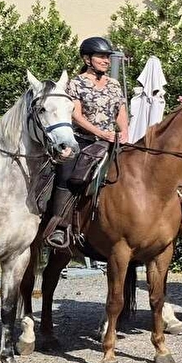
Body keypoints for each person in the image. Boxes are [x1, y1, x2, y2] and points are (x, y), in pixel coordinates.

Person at [42, 36, 128, 249]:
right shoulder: (76, 83)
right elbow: (76, 116)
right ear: (87, 59)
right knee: (68, 174)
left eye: (108, 57)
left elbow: (121, 112)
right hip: (82, 140)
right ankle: (60, 227)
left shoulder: (114, 85)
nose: (106, 61)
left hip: (111, 141)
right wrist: (101, 133)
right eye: (101, 56)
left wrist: (124, 132)